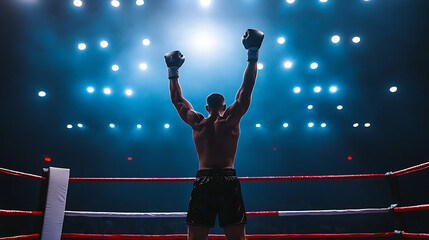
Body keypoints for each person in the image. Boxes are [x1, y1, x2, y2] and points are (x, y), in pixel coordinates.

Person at [164, 29, 264, 240]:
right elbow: (247, 88)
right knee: (237, 238)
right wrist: (252, 54)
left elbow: (177, 100)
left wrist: (173, 70)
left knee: (195, 238)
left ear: (206, 107)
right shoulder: (230, 122)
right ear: (225, 106)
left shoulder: (198, 123)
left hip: (204, 179)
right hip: (228, 179)